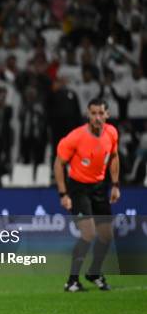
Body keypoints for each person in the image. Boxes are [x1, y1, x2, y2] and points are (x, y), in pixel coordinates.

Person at [54, 98, 120, 292]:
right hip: (78, 188)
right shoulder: (75, 137)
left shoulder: (112, 133)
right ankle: (72, 280)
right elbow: (59, 164)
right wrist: (63, 193)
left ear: (107, 114)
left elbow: (114, 156)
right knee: (89, 233)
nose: (97, 117)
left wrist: (115, 185)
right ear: (87, 114)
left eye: (101, 113)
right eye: (93, 113)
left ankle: (94, 272)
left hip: (100, 187)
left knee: (107, 236)